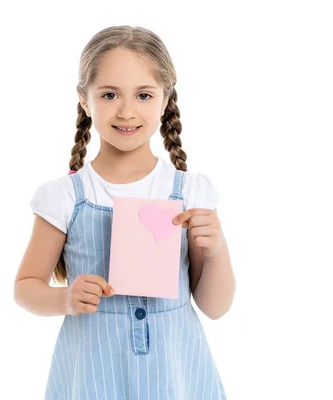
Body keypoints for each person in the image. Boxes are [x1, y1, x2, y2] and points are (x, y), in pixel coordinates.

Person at [13, 25, 236, 400]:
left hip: (175, 377)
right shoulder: (64, 197)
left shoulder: (191, 193)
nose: (127, 110)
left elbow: (215, 307)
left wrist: (215, 250)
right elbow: (25, 287)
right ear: (85, 99)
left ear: (165, 100)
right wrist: (64, 298)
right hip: (93, 377)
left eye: (144, 95)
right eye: (110, 94)